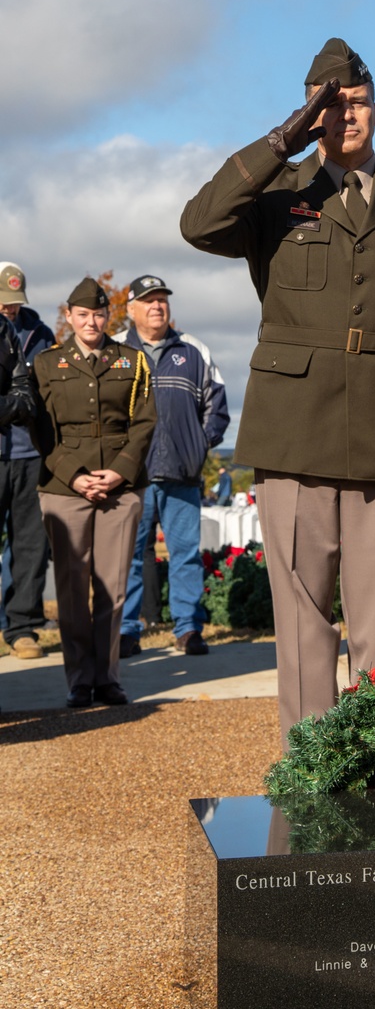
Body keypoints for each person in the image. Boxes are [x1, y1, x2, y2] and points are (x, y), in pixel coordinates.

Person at [180, 38, 375, 746]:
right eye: (329, 106)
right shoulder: (276, 194)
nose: (346, 116)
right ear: (310, 115)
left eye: (356, 103)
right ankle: (312, 769)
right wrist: (281, 141)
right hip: (294, 430)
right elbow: (198, 223)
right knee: (304, 622)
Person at [31, 277, 156, 707]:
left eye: (99, 314)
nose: (91, 321)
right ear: (68, 317)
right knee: (70, 586)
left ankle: (107, 678)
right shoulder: (46, 364)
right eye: (83, 314)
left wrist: (120, 472)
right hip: (65, 488)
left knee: (113, 587)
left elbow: (144, 422)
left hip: (120, 487)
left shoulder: (132, 361)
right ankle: (78, 680)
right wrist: (76, 475)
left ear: (109, 316)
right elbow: (41, 430)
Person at [118, 275, 229, 658]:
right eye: (148, 301)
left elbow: (217, 407)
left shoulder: (193, 350)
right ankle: (126, 630)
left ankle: (188, 629)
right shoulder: (115, 351)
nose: (157, 306)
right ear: (130, 308)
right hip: (131, 477)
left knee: (184, 554)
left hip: (182, 473)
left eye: (162, 300)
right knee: (129, 555)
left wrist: (198, 447)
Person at [0, 262, 54, 659]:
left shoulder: (41, 334)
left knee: (31, 546)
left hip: (29, 452)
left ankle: (22, 628)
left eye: (15, 302)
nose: (10, 309)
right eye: (3, 303)